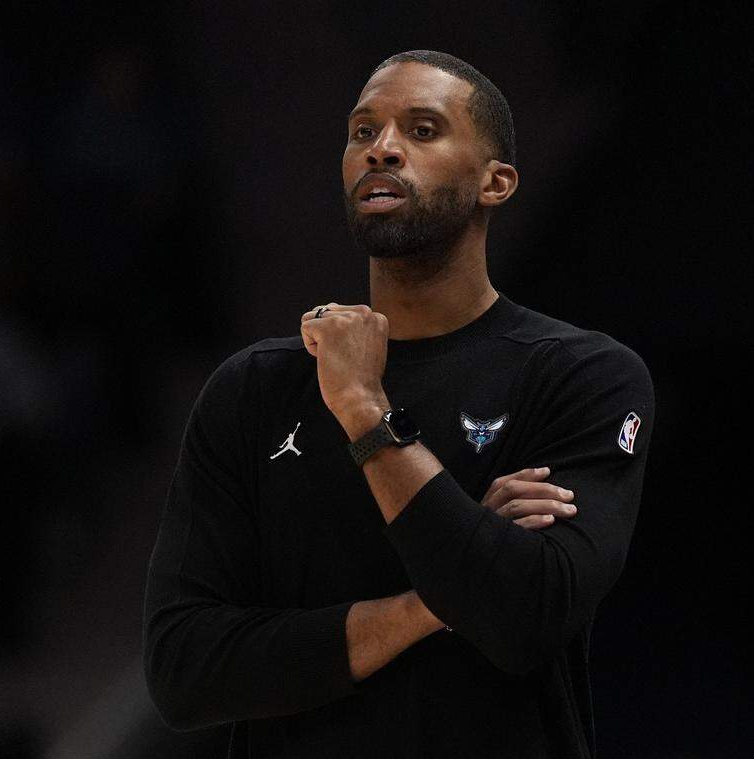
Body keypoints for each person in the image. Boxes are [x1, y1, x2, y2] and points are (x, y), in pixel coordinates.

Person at [143, 50, 655, 758]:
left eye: (421, 130)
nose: (380, 149)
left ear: (495, 182)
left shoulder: (581, 375)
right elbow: (183, 671)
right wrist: (430, 603)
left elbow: (524, 617)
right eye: (362, 132)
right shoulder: (253, 387)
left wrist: (362, 408)